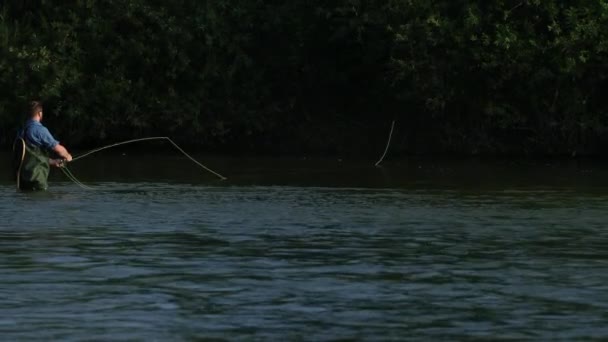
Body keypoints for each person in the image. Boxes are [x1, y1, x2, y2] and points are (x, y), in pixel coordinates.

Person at [13, 101, 73, 191]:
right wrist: (67, 156)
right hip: (37, 179)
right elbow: (58, 148)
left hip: (22, 181)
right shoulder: (39, 130)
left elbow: (32, 157)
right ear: (40, 114)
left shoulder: (21, 131)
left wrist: (53, 161)